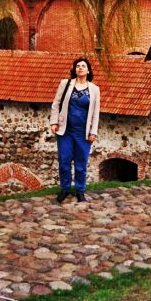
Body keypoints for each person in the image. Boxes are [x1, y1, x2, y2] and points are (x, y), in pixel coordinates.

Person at [49, 57, 100, 203]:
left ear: (88, 70)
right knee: (64, 161)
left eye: (83, 66)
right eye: (78, 66)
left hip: (82, 133)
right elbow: (56, 104)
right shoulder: (65, 84)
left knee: (81, 163)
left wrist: (93, 132)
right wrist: (54, 122)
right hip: (65, 131)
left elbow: (96, 112)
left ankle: (80, 191)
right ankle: (64, 189)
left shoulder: (94, 90)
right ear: (74, 69)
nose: (80, 68)